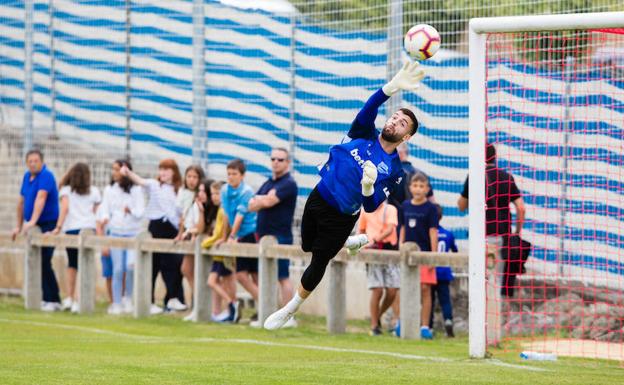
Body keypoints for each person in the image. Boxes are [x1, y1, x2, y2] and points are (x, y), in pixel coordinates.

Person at [264, 61, 425, 330]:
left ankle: (291, 308)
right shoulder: (365, 132)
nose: (395, 122)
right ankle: (349, 242)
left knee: (319, 260)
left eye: (402, 123)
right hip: (319, 196)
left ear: (406, 137)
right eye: (395, 117)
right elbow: (369, 108)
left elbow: (372, 206)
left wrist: (367, 187)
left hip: (341, 216)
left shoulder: (395, 170)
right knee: (307, 245)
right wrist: (390, 87)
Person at [121, 159, 185, 314]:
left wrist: (181, 231)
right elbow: (141, 181)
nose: (162, 173)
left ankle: (173, 299)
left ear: (174, 172)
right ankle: (148, 302)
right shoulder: (155, 185)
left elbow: (180, 212)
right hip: (156, 226)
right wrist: (128, 173)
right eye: (161, 169)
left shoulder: (179, 190)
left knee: (173, 266)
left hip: (172, 228)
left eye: (167, 170)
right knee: (153, 265)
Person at [248, 147, 298, 328]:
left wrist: (262, 199)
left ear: (288, 163)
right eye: (273, 159)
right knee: (266, 276)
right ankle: (269, 315)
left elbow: (268, 202)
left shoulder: (288, 183)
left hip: (280, 236)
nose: (276, 162)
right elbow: (251, 204)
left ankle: (288, 318)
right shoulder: (268, 183)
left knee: (282, 277)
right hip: (263, 237)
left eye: (280, 159)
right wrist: (263, 198)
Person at [12, 149, 61, 311]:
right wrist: (18, 225)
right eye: (30, 161)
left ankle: (53, 299)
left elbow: (41, 198)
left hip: (48, 223)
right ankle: (44, 297)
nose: (33, 163)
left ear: (41, 161)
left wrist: (32, 221)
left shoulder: (46, 176)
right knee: (36, 260)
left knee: (44, 260)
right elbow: (21, 202)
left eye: (35, 160)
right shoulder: (27, 177)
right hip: (34, 225)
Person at [97, 159, 145, 315]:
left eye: (117, 169)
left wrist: (130, 210)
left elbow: (140, 212)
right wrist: (105, 218)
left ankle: (128, 298)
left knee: (130, 267)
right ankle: (116, 302)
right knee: (117, 269)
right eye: (113, 169)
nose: (114, 173)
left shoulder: (136, 190)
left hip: (132, 233)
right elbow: (105, 209)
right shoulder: (110, 190)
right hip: (116, 233)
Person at [52, 162, 101, 313]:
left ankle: (70, 297)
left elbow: (65, 208)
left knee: (72, 264)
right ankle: (79, 299)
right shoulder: (94, 191)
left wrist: (58, 227)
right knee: (84, 265)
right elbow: (96, 211)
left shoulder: (66, 190)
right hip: (88, 230)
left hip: (72, 230)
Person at [400, 172, 438, 339]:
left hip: (424, 255)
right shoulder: (405, 206)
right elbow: (402, 228)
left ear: (427, 189)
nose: (418, 189)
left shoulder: (431, 209)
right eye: (415, 185)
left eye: (422, 186)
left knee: (425, 290)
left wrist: (433, 257)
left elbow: (433, 232)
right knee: (406, 289)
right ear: (410, 188)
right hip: (407, 255)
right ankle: (404, 322)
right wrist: (400, 247)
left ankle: (424, 326)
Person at [222, 159, 258, 323]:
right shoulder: (224, 190)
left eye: (234, 174)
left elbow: (239, 216)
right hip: (238, 236)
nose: (231, 177)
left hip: (250, 234)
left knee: (246, 275)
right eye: (228, 174)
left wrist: (231, 237)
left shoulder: (247, 191)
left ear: (242, 176)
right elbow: (225, 215)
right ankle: (263, 307)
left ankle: (265, 306)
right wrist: (224, 237)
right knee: (246, 274)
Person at [358, 199, 399, 336]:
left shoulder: (390, 209)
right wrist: (362, 244)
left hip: (389, 251)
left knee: (392, 290)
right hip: (372, 252)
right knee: (377, 290)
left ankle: (377, 315)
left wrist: (375, 239)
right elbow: (362, 230)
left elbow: (390, 229)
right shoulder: (365, 210)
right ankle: (374, 325)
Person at [202, 181, 239, 323]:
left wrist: (205, 243)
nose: (214, 197)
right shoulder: (221, 209)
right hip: (220, 254)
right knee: (225, 282)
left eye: (217, 193)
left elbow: (218, 235)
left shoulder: (224, 210)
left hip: (222, 254)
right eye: (212, 194)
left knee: (213, 282)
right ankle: (230, 309)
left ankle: (232, 304)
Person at [176, 165, 206, 301]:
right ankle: (198, 301)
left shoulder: (201, 195)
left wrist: (194, 234)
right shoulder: (183, 192)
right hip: (188, 233)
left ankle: (200, 302)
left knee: (189, 269)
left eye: (195, 177)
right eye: (189, 176)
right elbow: (183, 217)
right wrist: (180, 233)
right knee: (187, 270)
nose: (192, 180)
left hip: (197, 235)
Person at [430, 204, 457, 338]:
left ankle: (428, 326)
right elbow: (455, 251)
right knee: (445, 300)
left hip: (431, 270)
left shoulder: (428, 233)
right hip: (444, 272)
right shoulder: (448, 234)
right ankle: (448, 322)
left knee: (430, 299)